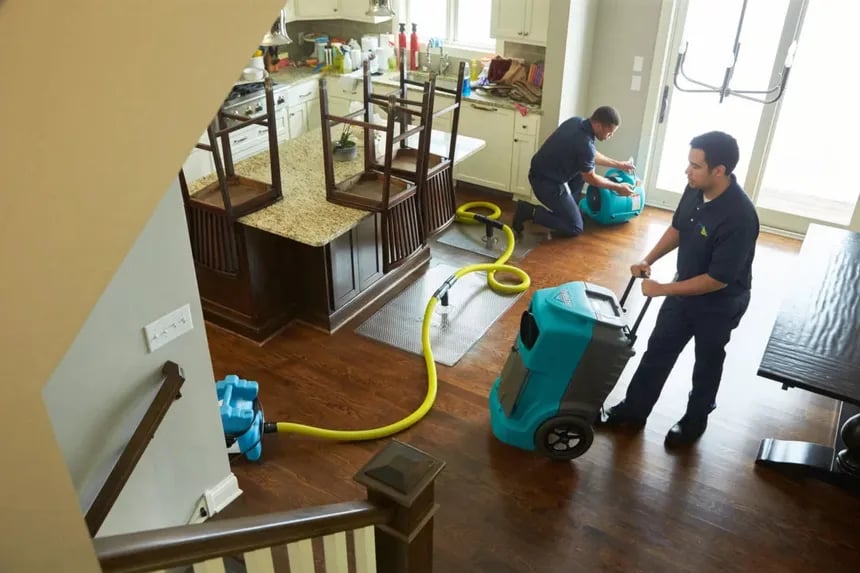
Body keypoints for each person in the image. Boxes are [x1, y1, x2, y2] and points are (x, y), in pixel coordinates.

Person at [598, 130, 759, 446]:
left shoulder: (739, 217)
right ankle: (633, 411)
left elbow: (717, 279)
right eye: (689, 164)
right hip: (683, 289)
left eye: (695, 166)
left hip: (721, 302)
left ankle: (696, 419)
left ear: (720, 170)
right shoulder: (695, 189)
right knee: (658, 350)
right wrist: (648, 258)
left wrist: (664, 290)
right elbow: (679, 228)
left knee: (707, 362)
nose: (688, 171)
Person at [512, 105, 637, 238]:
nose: (611, 136)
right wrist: (618, 187)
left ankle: (568, 210)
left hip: (542, 172)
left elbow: (590, 156)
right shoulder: (585, 144)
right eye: (610, 132)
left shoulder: (576, 121)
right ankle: (528, 211)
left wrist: (620, 165)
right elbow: (592, 178)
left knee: (581, 173)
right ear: (599, 125)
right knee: (575, 227)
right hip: (545, 183)